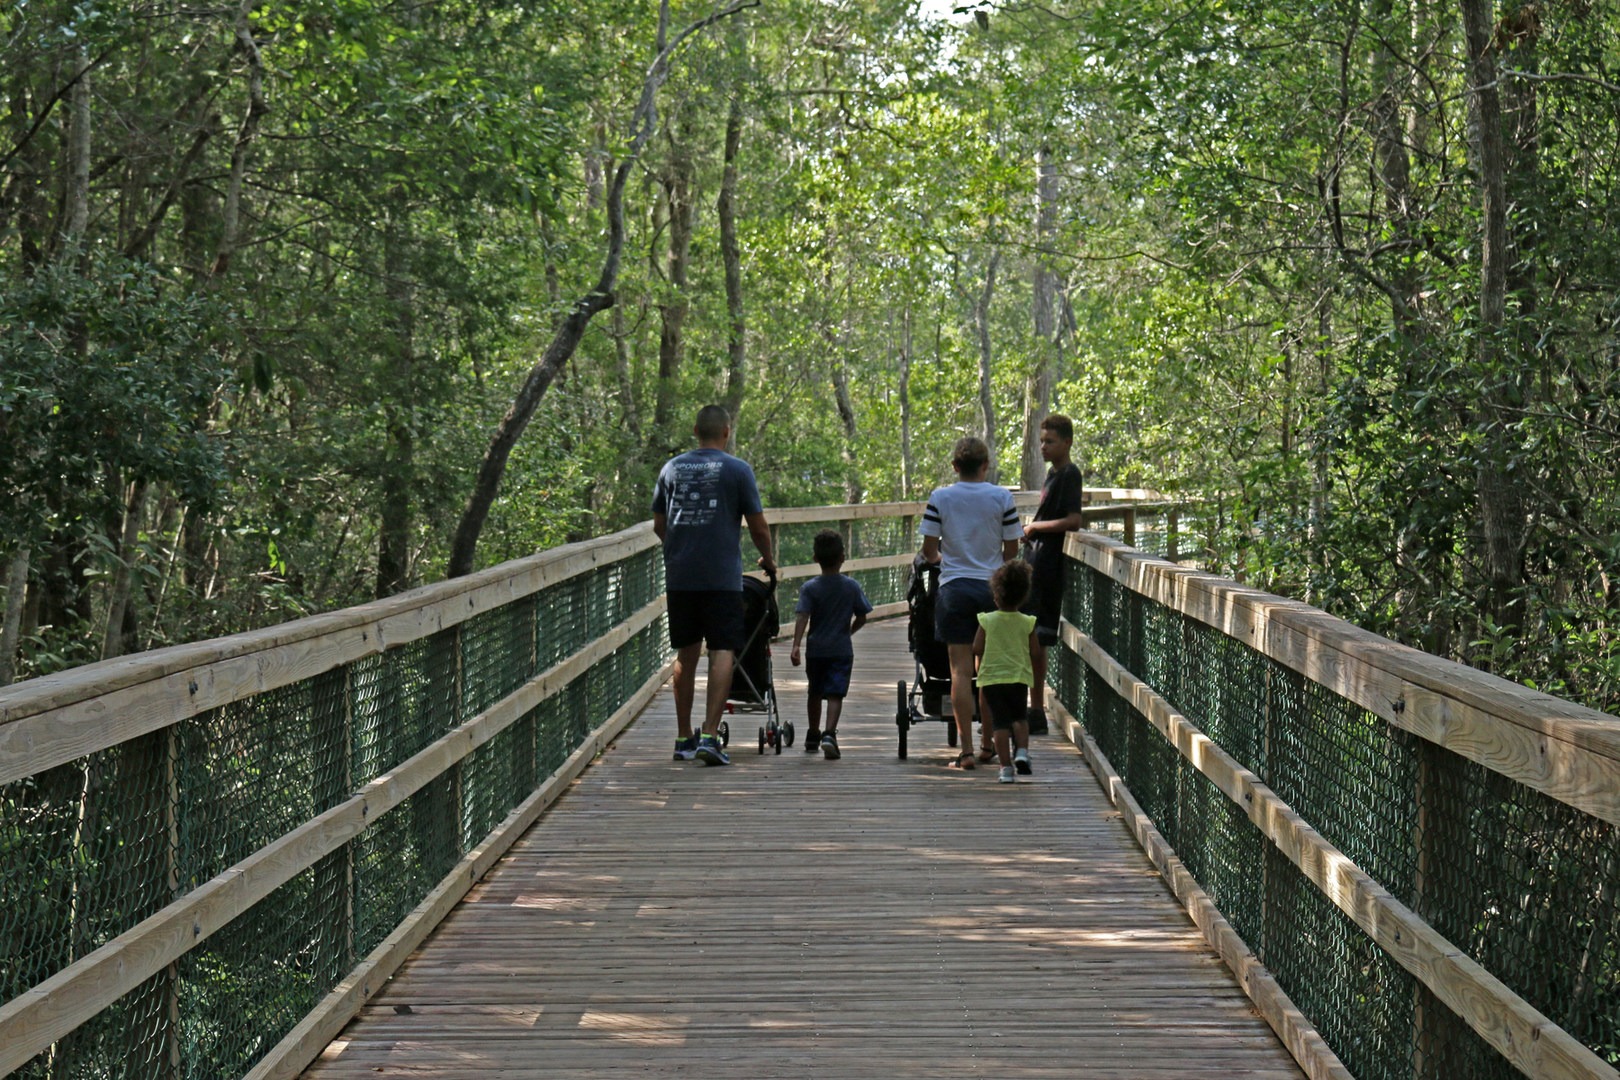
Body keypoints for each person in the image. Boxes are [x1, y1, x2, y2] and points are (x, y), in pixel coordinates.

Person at [652, 404, 777, 767]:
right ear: (726, 431)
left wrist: (680, 550)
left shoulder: (671, 468)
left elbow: (660, 524)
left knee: (686, 655)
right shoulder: (738, 470)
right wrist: (768, 559)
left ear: (696, 431)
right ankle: (709, 734)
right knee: (722, 650)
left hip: (681, 575)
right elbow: (758, 525)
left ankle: (682, 737)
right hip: (722, 577)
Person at [919, 436, 1022, 769]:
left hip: (953, 590)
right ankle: (987, 745)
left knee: (960, 672)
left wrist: (942, 561)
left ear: (954, 466)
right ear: (986, 465)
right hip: (991, 590)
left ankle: (964, 752)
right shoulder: (1001, 497)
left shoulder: (941, 498)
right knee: (988, 672)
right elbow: (1012, 551)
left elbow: (929, 549)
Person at [1019, 414, 1083, 736]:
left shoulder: (1070, 475)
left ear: (1067, 443)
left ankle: (1036, 710)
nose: (1043, 447)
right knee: (1029, 635)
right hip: (1036, 561)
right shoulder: (1052, 474)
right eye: (1042, 441)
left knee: (1037, 637)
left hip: (1047, 567)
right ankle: (1031, 708)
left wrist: (1033, 526)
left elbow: (1073, 520)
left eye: (1050, 441)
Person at [789, 529, 872, 761]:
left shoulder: (809, 588)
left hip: (815, 650)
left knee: (814, 691)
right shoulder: (851, 586)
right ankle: (829, 734)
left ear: (816, 558)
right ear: (843, 557)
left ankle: (813, 735)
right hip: (841, 649)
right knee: (836, 693)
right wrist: (848, 631)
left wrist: (796, 645)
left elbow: (802, 617)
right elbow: (863, 616)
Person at [975, 560, 1039, 783]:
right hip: (1019, 677)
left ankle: (1005, 769)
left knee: (999, 723)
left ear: (996, 595)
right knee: (1020, 717)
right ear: (1023, 596)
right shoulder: (1028, 622)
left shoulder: (986, 620)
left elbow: (976, 648)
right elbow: (1035, 651)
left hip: (993, 679)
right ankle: (1021, 751)